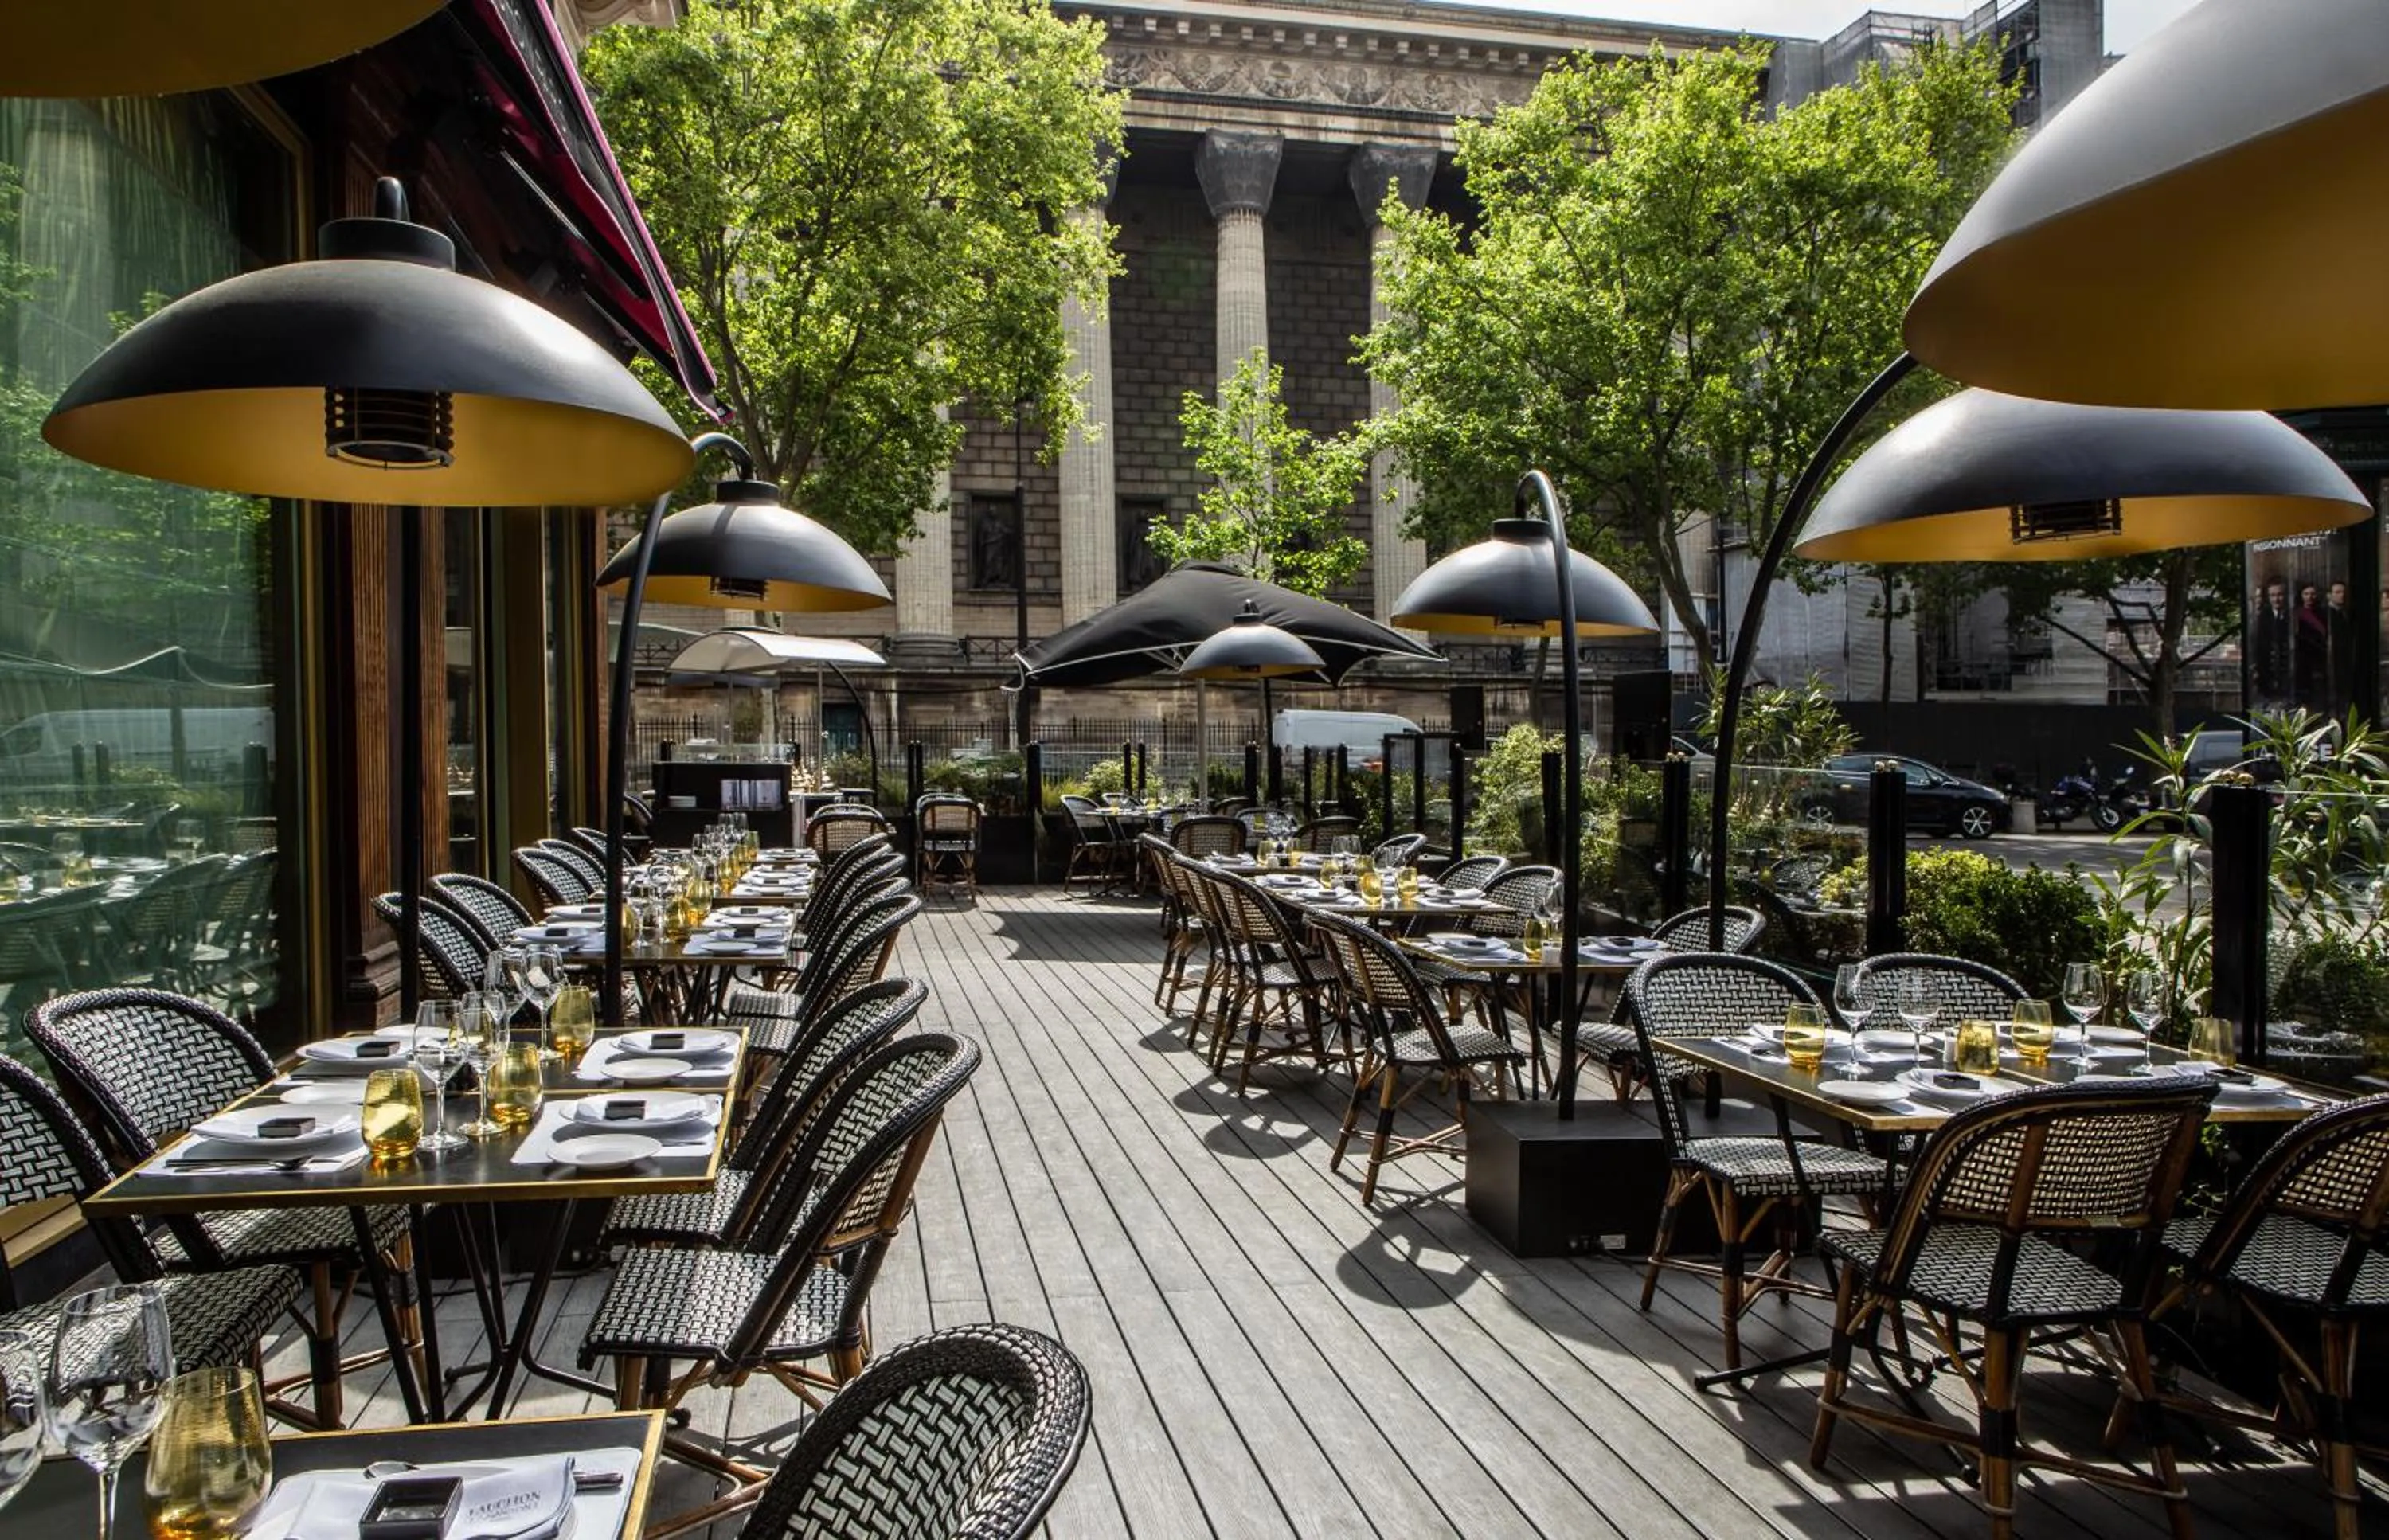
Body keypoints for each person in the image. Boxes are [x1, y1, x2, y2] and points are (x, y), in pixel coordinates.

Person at [2251, 577, 2290, 709]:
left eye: (2280, 595)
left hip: (2288, 674)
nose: (2276, 599)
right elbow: (2258, 646)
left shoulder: (2292, 616)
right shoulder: (2263, 617)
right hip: (2267, 673)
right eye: (2273, 595)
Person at [2295, 581, 2329, 712]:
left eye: (2312, 594)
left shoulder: (2324, 614)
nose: (2309, 597)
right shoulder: (2297, 614)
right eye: (2306, 594)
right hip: (2301, 661)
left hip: (2319, 659)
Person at [2326, 579, 2356, 714]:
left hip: (2347, 663)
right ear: (2330, 595)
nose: (2341, 595)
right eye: (2337, 592)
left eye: (2343, 592)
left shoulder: (2347, 613)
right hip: (2332, 664)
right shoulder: (2327, 615)